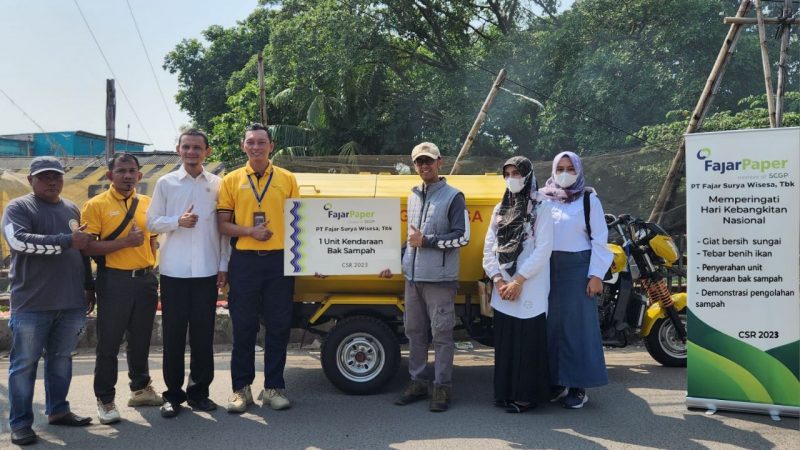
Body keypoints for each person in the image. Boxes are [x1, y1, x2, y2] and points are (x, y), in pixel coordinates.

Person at [2, 157, 95, 445]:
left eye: (56, 176)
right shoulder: (18, 207)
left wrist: (89, 287)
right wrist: (67, 240)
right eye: (44, 177)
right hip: (32, 303)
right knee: (24, 365)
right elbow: (18, 241)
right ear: (30, 180)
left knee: (61, 360)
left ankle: (58, 411)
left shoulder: (71, 207)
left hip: (70, 302)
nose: (52, 181)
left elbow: (81, 252)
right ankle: (20, 423)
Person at [146, 129, 229, 418]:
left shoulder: (219, 184)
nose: (192, 152)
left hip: (207, 271)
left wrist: (223, 266)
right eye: (186, 147)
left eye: (197, 147)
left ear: (207, 151)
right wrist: (176, 221)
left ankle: (200, 393)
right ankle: (173, 395)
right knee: (173, 337)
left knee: (204, 337)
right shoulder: (166, 183)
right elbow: (151, 222)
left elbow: (222, 231)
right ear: (178, 150)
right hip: (174, 272)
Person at [217, 123, 299, 413]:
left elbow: (297, 223)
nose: (256, 147)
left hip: (279, 262)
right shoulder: (231, 180)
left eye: (261, 142)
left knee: (278, 326)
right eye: (250, 142)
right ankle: (241, 390)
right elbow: (223, 225)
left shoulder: (288, 179)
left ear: (271, 146)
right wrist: (251, 232)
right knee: (244, 327)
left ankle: (274, 388)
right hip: (245, 262)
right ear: (243, 146)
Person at [82, 153, 164, 424]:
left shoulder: (148, 204)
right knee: (109, 343)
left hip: (145, 281)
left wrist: (150, 267)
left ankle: (140, 389)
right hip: (114, 280)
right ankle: (105, 399)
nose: (127, 176)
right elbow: (88, 247)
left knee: (141, 339)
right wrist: (125, 244)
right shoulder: (95, 205)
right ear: (110, 176)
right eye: (121, 171)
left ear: (140, 176)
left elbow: (152, 241)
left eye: (132, 171)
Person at [391, 142, 469, 412]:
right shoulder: (413, 195)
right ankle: (418, 382)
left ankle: (442, 388)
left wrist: (427, 241)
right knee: (414, 333)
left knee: (442, 335)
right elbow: (410, 239)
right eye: (419, 162)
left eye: (429, 161)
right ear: (414, 165)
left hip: (440, 281)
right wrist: (393, 261)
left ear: (440, 163)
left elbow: (462, 236)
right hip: (413, 278)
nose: (424, 165)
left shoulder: (453, 196)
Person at [539, 151, 613, 409]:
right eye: (560, 167)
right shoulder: (542, 197)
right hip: (546, 269)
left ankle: (578, 386)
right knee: (549, 326)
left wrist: (595, 275)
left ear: (579, 170)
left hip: (577, 269)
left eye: (571, 168)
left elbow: (600, 239)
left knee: (577, 328)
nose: (565, 173)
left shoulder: (589, 199)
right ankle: (556, 382)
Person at [482, 156, 553, 413]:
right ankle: (504, 393)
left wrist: (519, 280)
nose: (512, 178)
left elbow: (543, 249)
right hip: (503, 287)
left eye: (517, 173)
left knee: (528, 342)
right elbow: (489, 248)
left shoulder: (542, 209)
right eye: (507, 173)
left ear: (528, 175)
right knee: (506, 342)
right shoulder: (500, 209)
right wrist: (499, 280)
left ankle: (526, 396)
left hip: (529, 286)